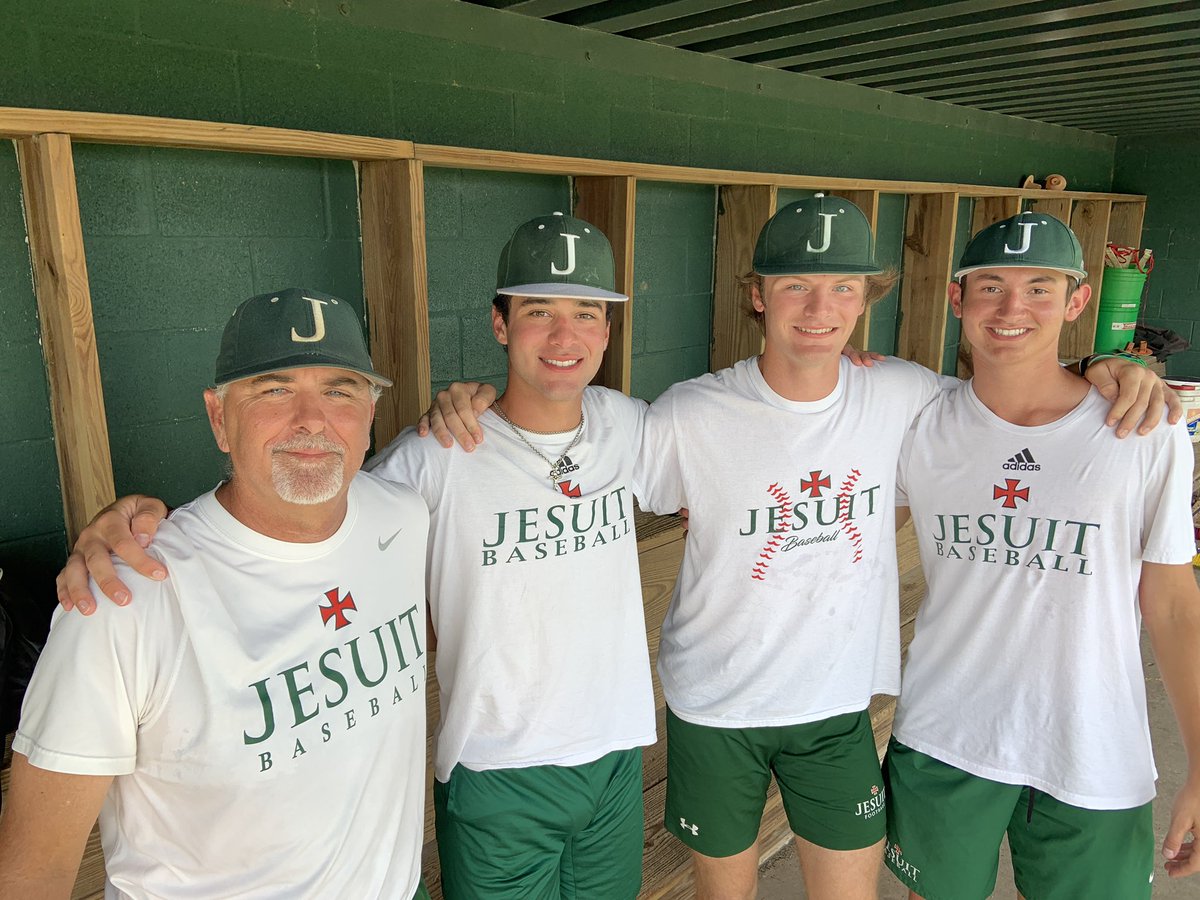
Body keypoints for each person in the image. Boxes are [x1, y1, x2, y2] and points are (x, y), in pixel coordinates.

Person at [420, 196, 1177, 900]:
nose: (819, 310)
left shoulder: (906, 396)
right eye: (794, 287)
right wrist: (474, 399)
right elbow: (569, 444)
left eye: (843, 289)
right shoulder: (687, 413)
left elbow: (1017, 400)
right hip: (715, 700)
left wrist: (1109, 370)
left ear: (866, 301)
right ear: (757, 294)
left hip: (838, 702)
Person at [55, 214, 657, 900]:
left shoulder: (631, 427)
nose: (563, 336)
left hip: (614, 755)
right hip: (496, 764)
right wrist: (129, 520)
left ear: (608, 329)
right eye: (537, 310)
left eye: (586, 312)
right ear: (498, 324)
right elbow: (307, 500)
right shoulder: (431, 460)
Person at [0, 288, 431, 898]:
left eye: (340, 389)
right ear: (217, 416)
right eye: (274, 389)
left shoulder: (404, 516)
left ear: (370, 414)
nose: (312, 418)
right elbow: (30, 874)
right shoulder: (123, 602)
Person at [883, 212, 1200, 899]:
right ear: (957, 299)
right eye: (990, 286)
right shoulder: (918, 421)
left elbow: (1173, 605)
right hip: (947, 732)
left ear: (1078, 301)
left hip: (1093, 741)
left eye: (1039, 288)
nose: (1011, 308)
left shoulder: (1144, 429)